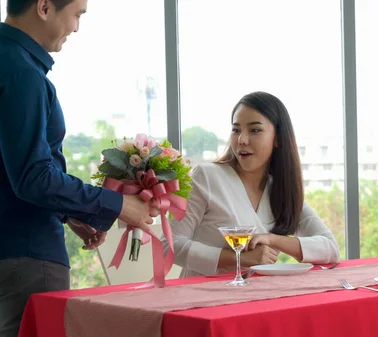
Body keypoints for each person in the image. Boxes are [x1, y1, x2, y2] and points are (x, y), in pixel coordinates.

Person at [0, 1, 157, 336]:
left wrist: (70, 211)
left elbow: (9, 169)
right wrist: (118, 204)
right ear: (44, 7)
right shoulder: (23, 73)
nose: (76, 27)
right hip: (26, 258)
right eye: (77, 14)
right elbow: (33, 177)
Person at [168, 91, 340, 277]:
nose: (242, 139)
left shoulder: (281, 192)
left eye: (254, 130)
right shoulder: (206, 177)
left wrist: (272, 240)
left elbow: (330, 249)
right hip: (201, 299)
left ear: (278, 139)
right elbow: (169, 246)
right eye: (236, 130)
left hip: (256, 300)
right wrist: (238, 258)